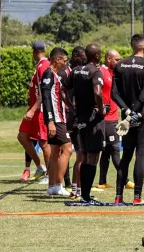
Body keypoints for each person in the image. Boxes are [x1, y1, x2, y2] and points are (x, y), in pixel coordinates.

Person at [112, 35, 144, 205]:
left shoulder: (120, 65)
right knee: (141, 154)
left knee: (126, 155)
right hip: (143, 113)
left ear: (132, 46)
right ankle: (137, 197)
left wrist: (127, 111)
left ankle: (118, 197)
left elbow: (114, 94)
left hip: (127, 114)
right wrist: (135, 111)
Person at [64, 44, 106, 203]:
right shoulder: (95, 71)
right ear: (96, 56)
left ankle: (83, 194)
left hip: (79, 118)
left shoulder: (75, 71)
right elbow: (97, 92)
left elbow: (62, 90)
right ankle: (86, 196)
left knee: (85, 155)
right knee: (93, 156)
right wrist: (101, 109)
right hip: (92, 118)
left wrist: (70, 106)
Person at [17, 41, 51, 183]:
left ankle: (50, 176)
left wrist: (33, 109)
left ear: (34, 51)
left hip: (40, 110)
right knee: (22, 136)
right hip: (34, 109)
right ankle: (40, 166)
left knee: (44, 143)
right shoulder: (39, 66)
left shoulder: (44, 66)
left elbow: (45, 91)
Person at [42, 47, 72, 196]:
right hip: (57, 119)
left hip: (60, 118)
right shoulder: (48, 74)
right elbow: (46, 98)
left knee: (55, 152)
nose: (65, 64)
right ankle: (59, 184)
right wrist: (51, 121)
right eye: (64, 60)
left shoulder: (54, 74)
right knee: (67, 149)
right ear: (57, 59)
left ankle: (52, 186)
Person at [61, 46, 87, 198]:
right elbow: (62, 92)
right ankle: (75, 190)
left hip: (76, 118)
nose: (85, 59)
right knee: (80, 156)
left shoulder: (77, 71)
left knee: (79, 155)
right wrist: (71, 107)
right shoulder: (68, 72)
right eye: (82, 56)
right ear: (75, 56)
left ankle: (75, 189)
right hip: (74, 119)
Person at [97, 50, 122, 190]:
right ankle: (124, 179)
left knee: (106, 151)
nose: (119, 62)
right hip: (106, 119)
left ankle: (102, 181)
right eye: (116, 59)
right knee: (114, 148)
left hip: (113, 117)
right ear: (108, 59)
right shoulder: (101, 71)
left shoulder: (114, 73)